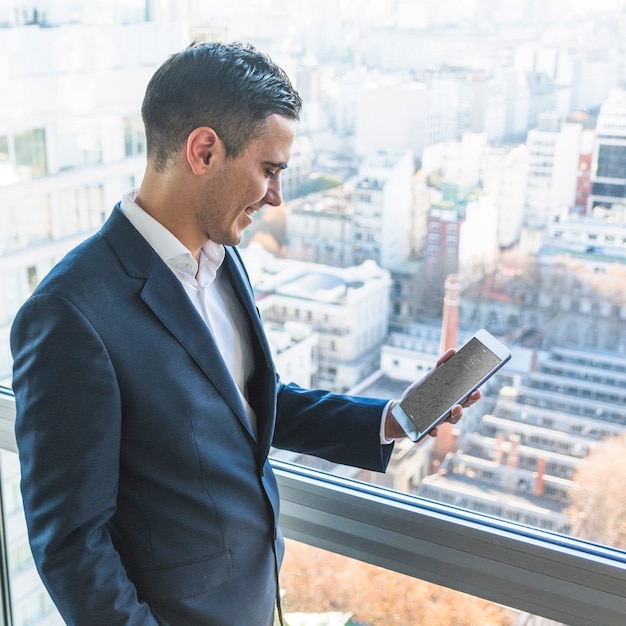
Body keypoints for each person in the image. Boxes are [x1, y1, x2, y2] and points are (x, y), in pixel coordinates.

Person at [10, 41, 481, 626]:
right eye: (269, 170)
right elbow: (71, 544)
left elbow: (253, 404)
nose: (278, 196)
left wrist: (396, 417)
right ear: (204, 150)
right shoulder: (68, 315)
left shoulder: (223, 258)